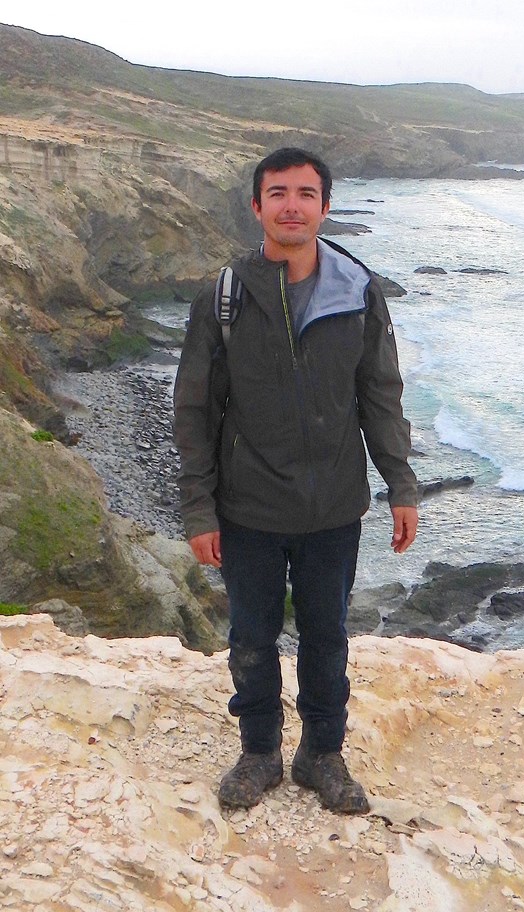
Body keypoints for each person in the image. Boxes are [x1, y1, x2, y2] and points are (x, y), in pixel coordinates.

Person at [173, 147, 418, 815]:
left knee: (327, 636)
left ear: (325, 207)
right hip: (247, 507)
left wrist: (401, 483)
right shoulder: (223, 296)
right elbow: (193, 409)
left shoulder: (358, 292)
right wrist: (198, 508)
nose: (292, 205)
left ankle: (321, 754)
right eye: (277, 192)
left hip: (334, 508)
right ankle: (259, 752)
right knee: (250, 637)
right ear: (256, 207)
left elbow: (380, 395)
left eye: (306, 193)